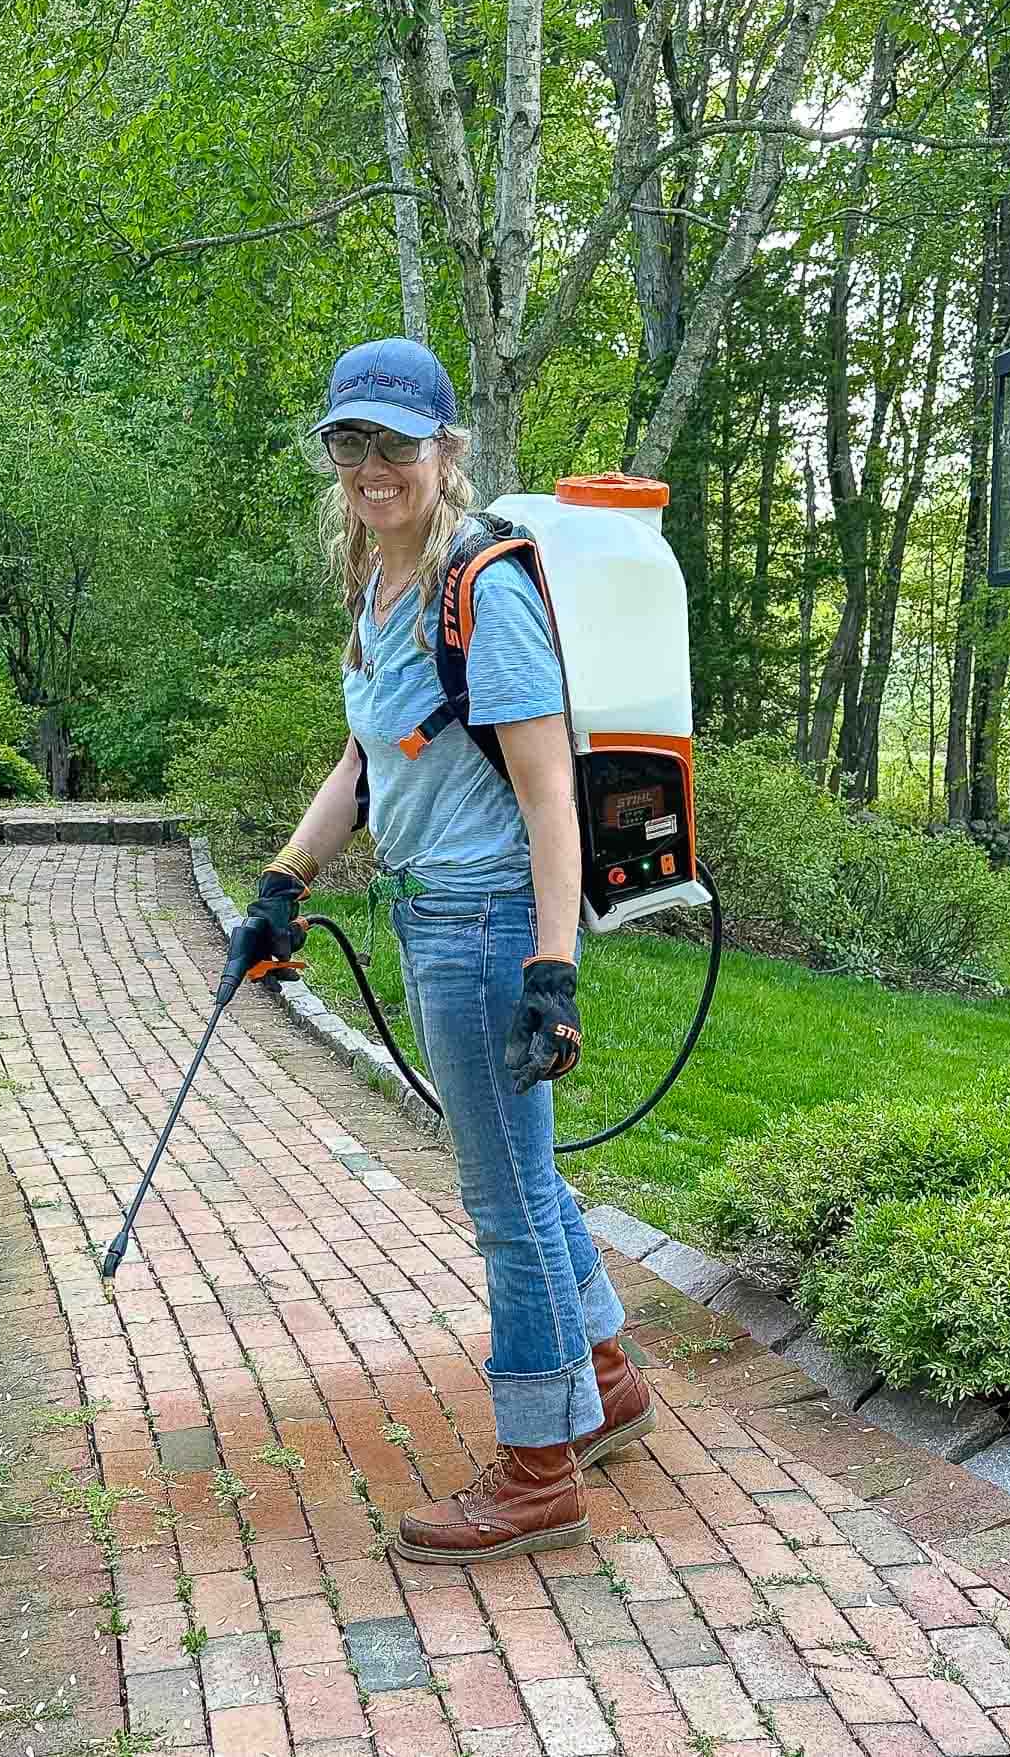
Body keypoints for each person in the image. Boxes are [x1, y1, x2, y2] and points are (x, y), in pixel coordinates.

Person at [227, 336, 655, 1564]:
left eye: (394, 444)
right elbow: (368, 761)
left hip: (484, 924)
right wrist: (281, 879)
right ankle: (608, 1376)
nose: (370, 466)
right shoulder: (381, 585)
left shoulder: (486, 592)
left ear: (444, 452)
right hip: (433, 915)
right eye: (347, 443)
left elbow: (547, 800)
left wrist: (550, 970)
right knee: (522, 1179)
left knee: (504, 1202)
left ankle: (537, 1471)